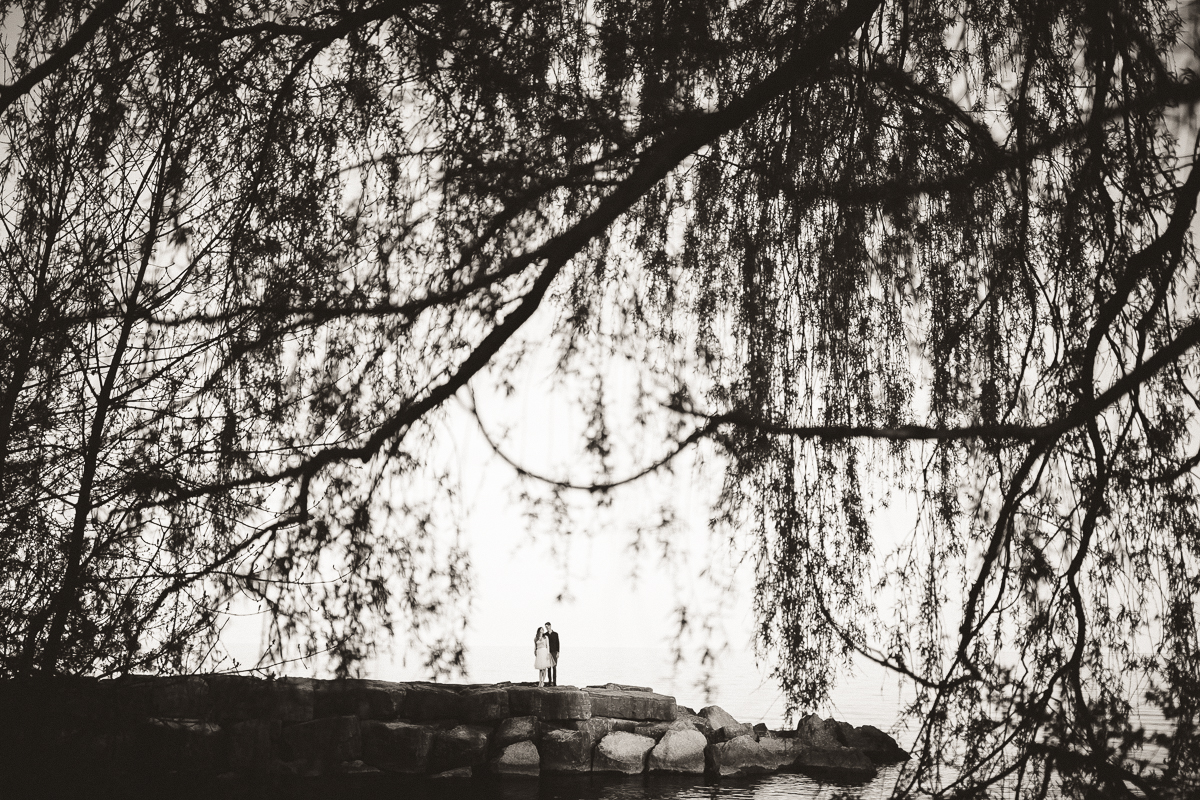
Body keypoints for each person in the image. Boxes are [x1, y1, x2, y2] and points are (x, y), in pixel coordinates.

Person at [545, 621, 560, 686]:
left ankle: (554, 682)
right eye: (546, 627)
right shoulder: (545, 635)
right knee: (549, 667)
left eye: (547, 626)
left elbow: (558, 643)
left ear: (550, 626)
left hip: (554, 652)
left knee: (554, 667)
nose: (547, 628)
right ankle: (549, 681)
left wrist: (558, 652)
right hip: (548, 652)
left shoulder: (555, 634)